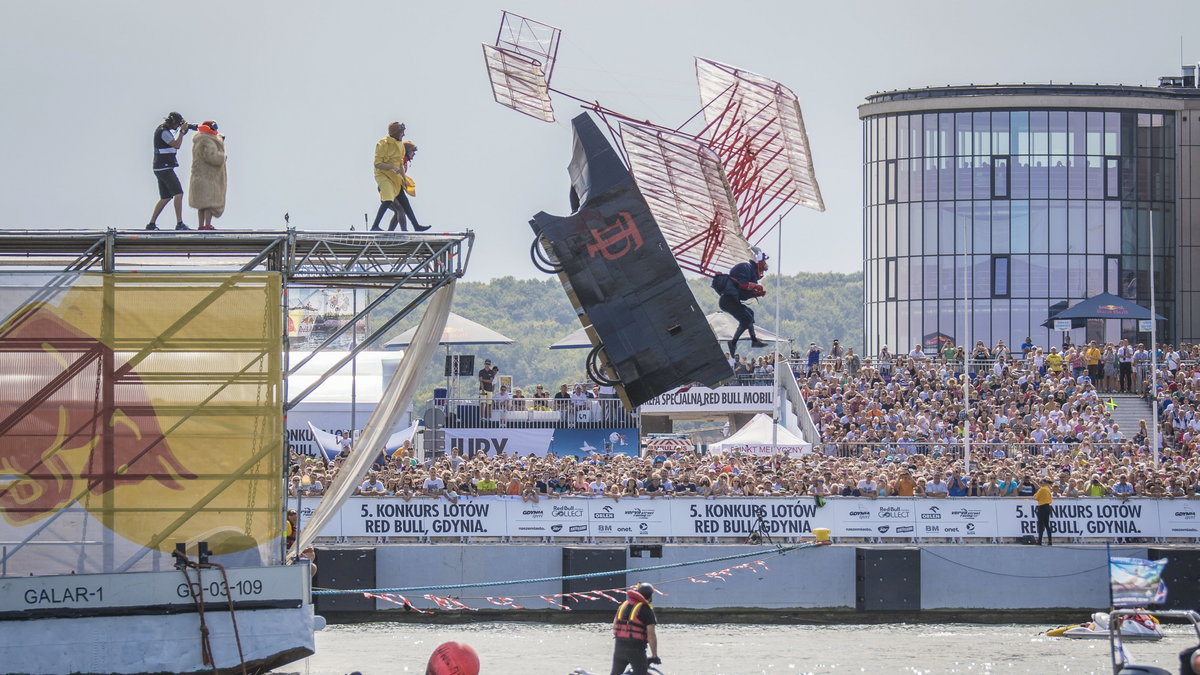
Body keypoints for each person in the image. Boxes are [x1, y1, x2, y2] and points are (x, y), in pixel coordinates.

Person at [372, 121, 428, 232]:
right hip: (384, 178)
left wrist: (404, 180)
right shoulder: (383, 143)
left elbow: (400, 165)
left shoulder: (400, 147)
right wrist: (392, 167)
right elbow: (377, 163)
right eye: (402, 132)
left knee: (404, 204)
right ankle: (377, 227)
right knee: (396, 207)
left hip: (395, 181)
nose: (404, 135)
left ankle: (415, 226)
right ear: (396, 132)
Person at [717, 247, 769, 356]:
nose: (763, 270)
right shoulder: (745, 267)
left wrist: (755, 293)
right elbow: (742, 285)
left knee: (750, 314)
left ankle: (751, 341)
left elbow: (743, 294)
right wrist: (756, 287)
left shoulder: (751, 273)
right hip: (727, 300)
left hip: (731, 301)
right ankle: (734, 342)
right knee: (747, 318)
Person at [147, 111, 192, 230]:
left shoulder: (163, 130)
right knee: (179, 193)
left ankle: (151, 224)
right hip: (165, 168)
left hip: (159, 168)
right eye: (177, 124)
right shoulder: (163, 132)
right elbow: (176, 145)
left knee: (165, 197)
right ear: (172, 122)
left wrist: (184, 131)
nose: (177, 127)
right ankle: (179, 223)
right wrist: (182, 132)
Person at [610, 583, 660, 675]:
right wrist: (654, 655)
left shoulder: (623, 606)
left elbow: (615, 627)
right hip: (636, 649)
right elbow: (651, 636)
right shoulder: (646, 610)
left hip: (619, 647)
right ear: (650, 596)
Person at [188, 121, 227, 231]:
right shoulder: (208, 140)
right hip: (208, 178)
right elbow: (212, 156)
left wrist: (219, 139)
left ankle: (201, 225)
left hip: (198, 176)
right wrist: (223, 157)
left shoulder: (198, 139)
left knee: (201, 204)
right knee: (209, 203)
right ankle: (207, 225)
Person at [387, 140, 428, 231]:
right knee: (400, 210)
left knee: (401, 210)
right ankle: (405, 231)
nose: (414, 154)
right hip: (389, 188)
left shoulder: (404, 162)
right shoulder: (400, 159)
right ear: (408, 151)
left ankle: (389, 232)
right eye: (413, 152)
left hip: (396, 188)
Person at [1033, 477, 1053, 545]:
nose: (1040, 484)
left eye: (1041, 482)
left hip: (1042, 507)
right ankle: (1050, 541)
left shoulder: (1042, 489)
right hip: (1047, 506)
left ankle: (1040, 541)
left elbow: (1036, 497)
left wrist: (1036, 494)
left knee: (1041, 524)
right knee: (1047, 524)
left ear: (1044, 483)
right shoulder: (1048, 489)